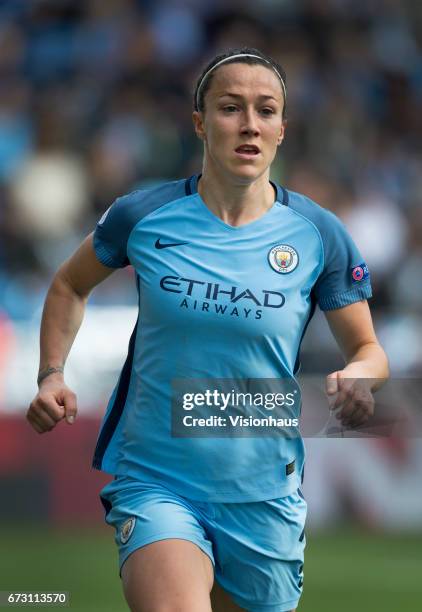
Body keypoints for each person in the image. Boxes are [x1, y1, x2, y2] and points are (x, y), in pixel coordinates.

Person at [27, 47, 389, 612]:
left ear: (282, 129)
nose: (249, 124)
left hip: (263, 490)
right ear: (200, 122)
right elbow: (70, 286)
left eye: (265, 110)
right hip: (157, 478)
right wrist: (52, 374)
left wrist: (359, 376)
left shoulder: (319, 233)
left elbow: (367, 348)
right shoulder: (142, 215)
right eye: (230, 108)